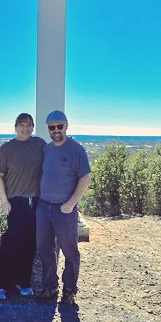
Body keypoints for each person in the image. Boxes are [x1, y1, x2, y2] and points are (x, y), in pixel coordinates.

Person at [36, 110, 92, 308]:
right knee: (45, 249)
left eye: (60, 126)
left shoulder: (77, 150)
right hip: (43, 207)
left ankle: (69, 290)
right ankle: (50, 287)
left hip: (65, 211)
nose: (56, 130)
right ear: (48, 129)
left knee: (70, 250)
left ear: (66, 125)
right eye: (52, 127)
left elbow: (85, 178)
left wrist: (70, 204)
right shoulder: (47, 149)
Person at [0, 112, 46, 300]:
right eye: (22, 124)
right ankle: (0, 284)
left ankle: (23, 282)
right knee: (11, 242)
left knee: (30, 244)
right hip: (15, 202)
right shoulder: (6, 149)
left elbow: (53, 159)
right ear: (15, 127)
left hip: (36, 202)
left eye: (29, 124)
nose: (26, 128)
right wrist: (3, 199)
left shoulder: (39, 144)